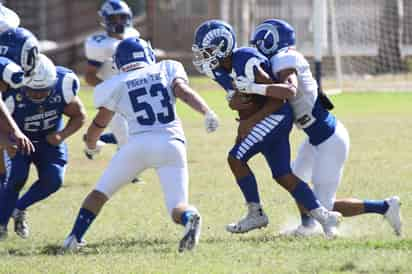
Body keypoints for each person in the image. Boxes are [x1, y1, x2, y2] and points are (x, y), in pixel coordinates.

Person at [236, 19, 402, 236]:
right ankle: (307, 226)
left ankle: (385, 207)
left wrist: (253, 87)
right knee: (296, 180)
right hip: (316, 139)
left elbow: (289, 90)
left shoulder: (284, 59)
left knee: (323, 206)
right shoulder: (279, 59)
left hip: (330, 140)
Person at [62, 37, 219, 252]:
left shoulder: (115, 84)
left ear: (118, 62)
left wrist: (91, 144)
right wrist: (206, 112)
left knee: (99, 194)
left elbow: (100, 122)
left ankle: (73, 238)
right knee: (177, 207)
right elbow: (182, 91)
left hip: (137, 146)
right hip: (171, 143)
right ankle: (190, 217)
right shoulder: (167, 68)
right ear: (148, 55)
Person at [192, 20, 342, 238]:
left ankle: (256, 213)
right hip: (268, 118)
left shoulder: (245, 59)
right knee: (282, 174)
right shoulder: (219, 71)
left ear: (222, 47)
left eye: (207, 50)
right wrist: (238, 107)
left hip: (276, 115)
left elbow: (277, 99)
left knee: (235, 158)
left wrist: (250, 121)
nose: (203, 55)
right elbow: (244, 103)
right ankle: (325, 217)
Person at [0, 54, 86, 240]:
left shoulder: (63, 86)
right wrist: (7, 142)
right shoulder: (10, 92)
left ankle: (19, 208)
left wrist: (62, 135)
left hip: (49, 141)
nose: (38, 95)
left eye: (44, 90)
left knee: (53, 180)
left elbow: (79, 115)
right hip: (18, 140)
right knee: (16, 178)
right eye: (32, 90)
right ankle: (1, 225)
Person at [84, 0, 140, 149]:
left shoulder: (133, 35)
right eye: (114, 18)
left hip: (133, 91)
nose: (119, 21)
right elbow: (89, 76)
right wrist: (110, 88)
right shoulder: (99, 44)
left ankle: (100, 138)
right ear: (105, 19)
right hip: (113, 96)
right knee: (126, 140)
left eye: (122, 17)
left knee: (136, 132)